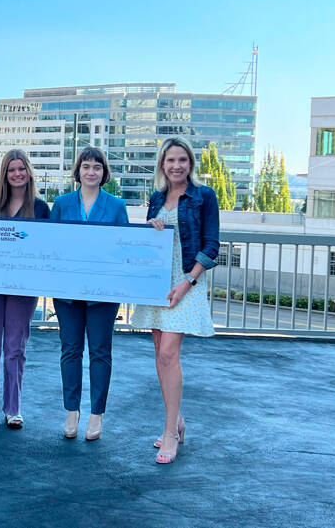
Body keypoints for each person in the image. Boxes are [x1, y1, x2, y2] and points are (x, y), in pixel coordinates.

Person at [131, 137, 220, 464]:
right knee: (160, 355)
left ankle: (170, 433)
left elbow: (212, 245)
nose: (176, 165)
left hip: (185, 281)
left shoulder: (204, 196)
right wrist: (151, 225)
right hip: (157, 284)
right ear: (162, 165)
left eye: (182, 159)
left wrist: (188, 282)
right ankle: (177, 420)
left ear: (190, 163)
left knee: (169, 353)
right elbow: (150, 241)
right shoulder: (156, 197)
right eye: (170, 160)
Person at [49, 147, 128, 441]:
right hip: (67, 292)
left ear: (104, 172)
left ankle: (97, 413)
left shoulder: (117, 206)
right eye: (86, 166)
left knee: (100, 352)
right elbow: (51, 245)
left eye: (97, 167)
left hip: (103, 293)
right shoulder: (61, 204)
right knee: (70, 349)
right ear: (78, 171)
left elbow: (124, 246)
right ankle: (72, 410)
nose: (91, 171)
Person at [0, 149, 50, 430]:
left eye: (21, 168)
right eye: (11, 169)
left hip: (23, 287)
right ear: (4, 174)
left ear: (29, 172)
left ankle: (13, 409)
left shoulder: (41, 209)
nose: (17, 174)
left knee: (16, 347)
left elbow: (46, 246)